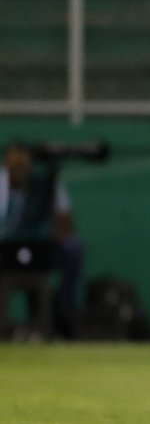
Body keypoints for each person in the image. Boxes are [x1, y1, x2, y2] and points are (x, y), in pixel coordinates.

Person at [0, 141, 84, 339]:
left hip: (40, 248)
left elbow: (66, 223)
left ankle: (63, 309)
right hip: (3, 250)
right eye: (14, 165)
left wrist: (54, 232)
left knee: (73, 248)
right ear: (6, 165)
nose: (19, 169)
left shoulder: (44, 186)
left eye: (23, 165)